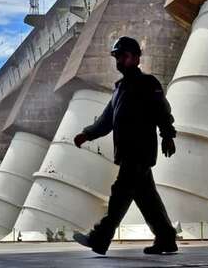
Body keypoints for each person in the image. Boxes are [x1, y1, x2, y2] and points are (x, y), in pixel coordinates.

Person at [72, 36, 178, 255]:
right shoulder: (119, 89)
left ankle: (99, 238)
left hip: (139, 151)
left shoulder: (148, 83)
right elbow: (107, 119)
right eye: (117, 56)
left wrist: (168, 135)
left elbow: (162, 111)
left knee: (120, 194)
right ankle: (166, 239)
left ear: (136, 58)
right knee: (147, 199)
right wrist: (87, 134)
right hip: (127, 152)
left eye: (123, 56)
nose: (119, 60)